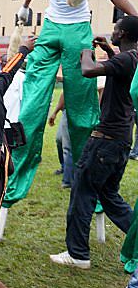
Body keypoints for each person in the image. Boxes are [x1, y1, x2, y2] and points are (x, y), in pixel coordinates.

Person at [3, 0, 138, 210]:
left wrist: (136, 18)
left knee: (80, 107)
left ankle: (87, 176)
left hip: (78, 29)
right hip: (52, 26)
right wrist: (26, 5)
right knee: (32, 104)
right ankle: (17, 173)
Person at [50, 17, 138, 269]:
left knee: (82, 193)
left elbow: (88, 70)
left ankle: (77, 254)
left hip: (104, 142)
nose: (112, 31)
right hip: (121, 140)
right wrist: (109, 51)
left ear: (122, 33)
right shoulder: (133, 59)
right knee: (109, 196)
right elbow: (119, 69)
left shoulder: (124, 60)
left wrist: (84, 50)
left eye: (115, 28)